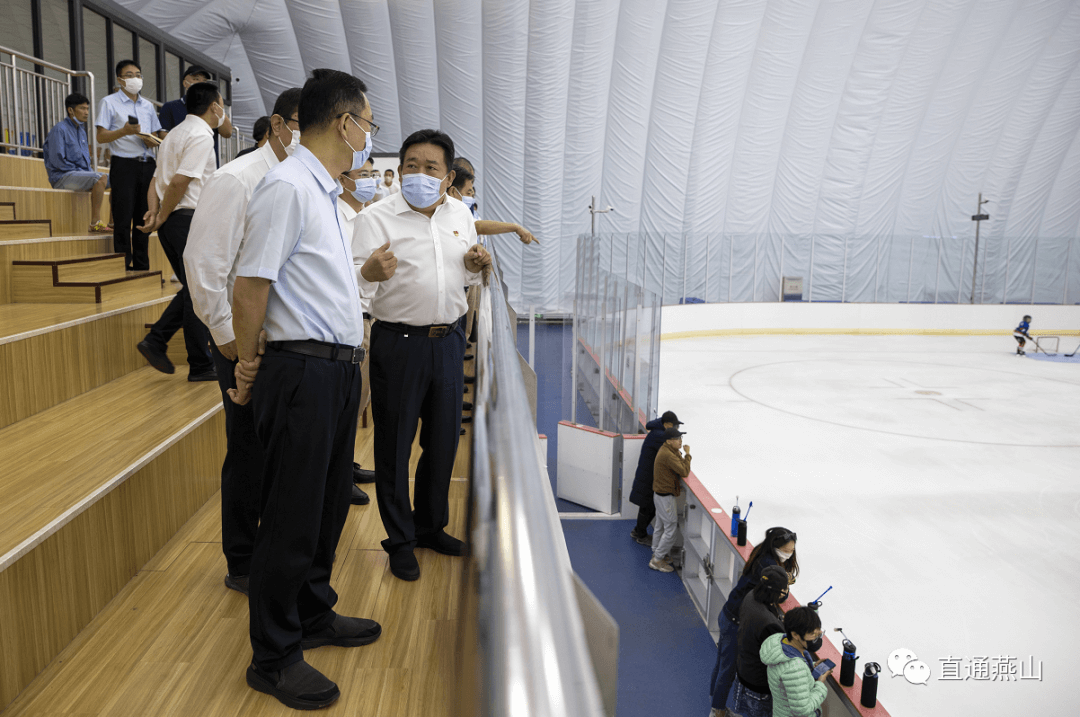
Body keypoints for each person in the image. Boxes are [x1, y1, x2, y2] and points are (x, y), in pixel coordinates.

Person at [229, 68, 381, 710]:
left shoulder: (322, 191)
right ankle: (273, 655)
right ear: (343, 122)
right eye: (367, 123)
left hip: (337, 370)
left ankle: (313, 612)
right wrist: (245, 364)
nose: (369, 134)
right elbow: (250, 285)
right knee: (290, 516)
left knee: (322, 507)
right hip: (302, 371)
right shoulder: (288, 188)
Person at [353, 128, 491, 582]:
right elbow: (354, 285)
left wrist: (474, 267)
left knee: (444, 441)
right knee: (394, 446)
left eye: (430, 167)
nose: (418, 174)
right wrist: (369, 273)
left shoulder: (460, 215)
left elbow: (465, 277)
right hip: (399, 344)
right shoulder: (376, 218)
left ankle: (431, 527)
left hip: (449, 341)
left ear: (448, 176)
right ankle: (400, 540)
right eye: (411, 164)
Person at [184, 87, 302, 596]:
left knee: (282, 453)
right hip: (244, 340)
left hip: (288, 341)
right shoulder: (236, 179)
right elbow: (203, 263)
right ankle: (242, 561)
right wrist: (228, 336)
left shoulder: (300, 183)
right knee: (249, 452)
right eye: (306, 124)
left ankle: (276, 554)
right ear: (279, 126)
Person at [134, 82, 220, 382]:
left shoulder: (173, 136)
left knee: (193, 290)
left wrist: (155, 212)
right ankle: (194, 361)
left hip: (173, 220)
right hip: (186, 219)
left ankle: (169, 347)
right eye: (221, 104)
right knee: (198, 291)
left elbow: (156, 181)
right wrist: (162, 215)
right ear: (214, 107)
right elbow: (180, 182)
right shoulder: (200, 136)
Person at [710, 527, 799, 716]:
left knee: (722, 663)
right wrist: (785, 586)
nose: (789, 554)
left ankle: (715, 702)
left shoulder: (762, 553)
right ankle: (717, 710)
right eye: (787, 550)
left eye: (792, 550)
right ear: (776, 547)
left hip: (729, 613)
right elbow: (778, 596)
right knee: (728, 668)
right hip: (733, 621)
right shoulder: (766, 564)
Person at [96, 59, 163, 271]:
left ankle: (142, 265)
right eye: (129, 75)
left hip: (147, 163)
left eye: (138, 74)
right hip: (123, 164)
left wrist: (148, 139)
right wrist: (124, 131)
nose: (135, 78)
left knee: (144, 216)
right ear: (120, 79)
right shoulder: (109, 102)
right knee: (123, 217)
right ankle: (122, 265)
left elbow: (154, 135)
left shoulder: (148, 106)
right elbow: (101, 136)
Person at [338, 157, 380, 494]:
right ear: (344, 179)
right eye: (362, 174)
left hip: (369, 314)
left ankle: (346, 464)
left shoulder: (367, 216)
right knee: (348, 400)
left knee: (360, 396)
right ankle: (338, 476)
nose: (369, 180)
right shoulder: (337, 216)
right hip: (350, 316)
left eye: (372, 174)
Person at [726, 565, 790, 717]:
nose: (787, 592)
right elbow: (780, 656)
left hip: (744, 671)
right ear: (776, 593)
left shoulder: (751, 596)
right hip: (758, 685)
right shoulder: (769, 624)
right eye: (785, 589)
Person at [43, 93, 109, 233]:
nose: (86, 112)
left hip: (79, 177)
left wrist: (85, 173)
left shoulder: (82, 132)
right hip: (62, 178)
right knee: (99, 177)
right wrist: (84, 173)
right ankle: (95, 223)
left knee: (118, 180)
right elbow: (57, 161)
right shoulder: (59, 129)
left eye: (87, 108)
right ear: (70, 110)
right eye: (82, 108)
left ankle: (114, 223)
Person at [760, 607, 831, 717]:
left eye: (819, 633)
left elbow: (793, 674)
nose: (817, 638)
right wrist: (820, 684)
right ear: (795, 635)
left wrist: (811, 666)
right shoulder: (794, 668)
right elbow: (802, 710)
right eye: (813, 634)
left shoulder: (781, 643)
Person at [159, 65, 234, 167]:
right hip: (179, 165)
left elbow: (227, 133)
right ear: (185, 83)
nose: (200, 84)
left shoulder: (212, 108)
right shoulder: (170, 107)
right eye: (196, 79)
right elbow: (163, 134)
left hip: (207, 166)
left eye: (204, 81)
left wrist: (219, 104)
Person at [629, 411, 682, 546]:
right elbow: (673, 453)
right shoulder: (660, 435)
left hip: (648, 474)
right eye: (675, 426)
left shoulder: (658, 431)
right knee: (648, 507)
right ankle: (640, 534)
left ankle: (638, 531)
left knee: (647, 506)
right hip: (648, 477)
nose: (676, 430)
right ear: (667, 424)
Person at [649, 426, 690, 572]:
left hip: (659, 495)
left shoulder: (667, 450)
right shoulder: (668, 455)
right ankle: (657, 559)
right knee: (671, 528)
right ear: (669, 441)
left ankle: (657, 552)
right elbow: (684, 471)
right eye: (677, 439)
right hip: (665, 497)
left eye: (681, 438)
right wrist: (688, 455)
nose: (680, 441)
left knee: (660, 526)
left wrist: (680, 453)